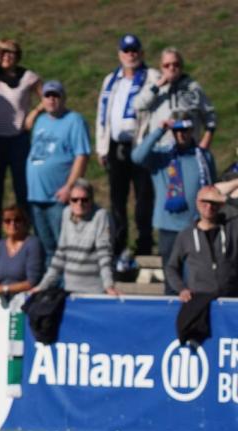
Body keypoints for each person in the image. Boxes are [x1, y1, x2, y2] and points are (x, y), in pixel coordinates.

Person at [132, 113, 217, 290]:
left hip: (195, 226)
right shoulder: (161, 156)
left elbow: (212, 188)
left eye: (185, 130)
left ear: (192, 130)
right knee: (172, 281)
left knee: (195, 279)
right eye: (177, 130)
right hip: (169, 228)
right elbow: (137, 157)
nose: (181, 134)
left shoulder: (203, 157)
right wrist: (159, 130)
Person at [95, 33, 159, 259]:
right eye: (126, 51)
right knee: (117, 198)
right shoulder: (111, 79)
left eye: (134, 51)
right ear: (119, 54)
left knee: (143, 195)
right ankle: (119, 243)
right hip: (116, 145)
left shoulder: (151, 76)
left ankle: (144, 243)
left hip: (141, 143)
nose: (130, 55)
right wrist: (102, 147)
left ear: (141, 53)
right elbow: (102, 115)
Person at [0, 39, 43, 238]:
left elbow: (46, 96)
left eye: (11, 53)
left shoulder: (28, 77)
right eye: (3, 53)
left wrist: (34, 113)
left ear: (17, 56)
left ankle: (26, 232)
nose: (6, 56)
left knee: (22, 188)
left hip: (18, 139)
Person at [24, 81, 91, 265]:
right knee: (46, 248)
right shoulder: (41, 121)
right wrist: (37, 111)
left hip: (58, 196)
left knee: (64, 247)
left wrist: (69, 187)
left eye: (56, 95)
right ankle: (51, 289)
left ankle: (66, 288)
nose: (52, 99)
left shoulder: (75, 120)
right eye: (47, 96)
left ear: (63, 98)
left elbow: (82, 155)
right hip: (36, 195)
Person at [35, 180, 120, 295]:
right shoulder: (66, 213)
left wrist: (109, 285)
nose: (79, 204)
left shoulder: (101, 216)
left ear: (91, 200)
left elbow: (105, 254)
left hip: (95, 290)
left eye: (84, 200)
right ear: (69, 201)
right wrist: (43, 285)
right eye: (74, 200)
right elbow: (60, 254)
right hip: (70, 290)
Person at [133, 47, 217, 151]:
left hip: (189, 149)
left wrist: (205, 142)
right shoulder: (153, 87)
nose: (171, 68)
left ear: (181, 66)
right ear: (161, 67)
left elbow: (210, 116)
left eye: (175, 64)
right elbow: (138, 105)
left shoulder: (193, 88)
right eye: (166, 65)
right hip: (162, 150)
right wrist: (158, 86)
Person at [164, 186, 238, 300]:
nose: (209, 206)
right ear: (197, 203)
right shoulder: (186, 235)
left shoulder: (232, 228)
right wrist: (181, 289)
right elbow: (171, 267)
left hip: (230, 299)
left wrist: (225, 199)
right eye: (204, 202)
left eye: (214, 202)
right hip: (198, 300)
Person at [0, 206, 43, 297]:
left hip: (24, 297)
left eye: (17, 220)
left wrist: (4, 289)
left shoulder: (33, 244)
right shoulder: (0, 245)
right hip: (1, 295)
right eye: (7, 221)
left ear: (24, 222)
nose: (12, 224)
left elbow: (32, 282)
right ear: (2, 224)